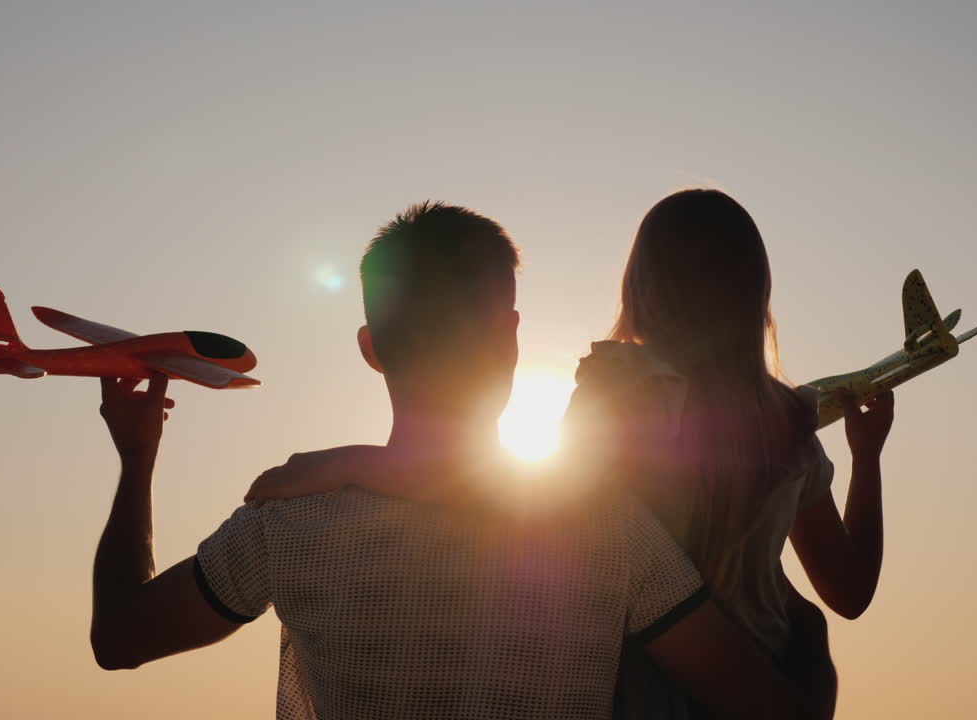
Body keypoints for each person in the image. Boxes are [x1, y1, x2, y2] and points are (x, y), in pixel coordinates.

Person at [88, 201, 832, 720]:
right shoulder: (613, 534)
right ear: (510, 336)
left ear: (371, 348)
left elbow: (118, 639)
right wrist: (811, 640)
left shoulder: (285, 522)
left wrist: (136, 460)